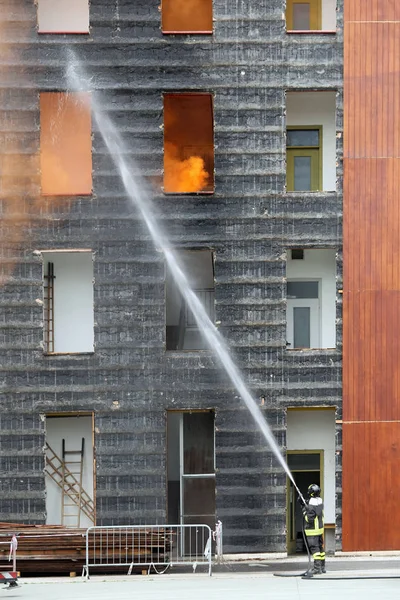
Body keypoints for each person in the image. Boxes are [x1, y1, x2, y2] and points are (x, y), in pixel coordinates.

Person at [302, 483, 325, 575]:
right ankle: (322, 567)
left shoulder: (311, 505)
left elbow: (309, 519)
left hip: (312, 531)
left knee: (315, 550)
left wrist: (304, 510)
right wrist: (306, 504)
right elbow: (316, 513)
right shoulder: (319, 502)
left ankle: (317, 569)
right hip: (319, 530)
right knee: (320, 549)